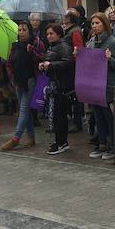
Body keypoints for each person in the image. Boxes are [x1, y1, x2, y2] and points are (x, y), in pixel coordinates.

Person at [3, 21, 45, 151]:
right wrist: (11, 75)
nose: (21, 32)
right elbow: (9, 62)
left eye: (24, 30)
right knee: (25, 111)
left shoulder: (36, 43)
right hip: (18, 80)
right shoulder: (15, 45)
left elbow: (43, 58)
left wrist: (32, 52)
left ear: (30, 31)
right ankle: (31, 137)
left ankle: (16, 138)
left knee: (23, 110)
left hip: (30, 80)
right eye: (19, 30)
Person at [86, 12, 115, 160]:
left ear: (104, 24)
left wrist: (109, 59)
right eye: (93, 23)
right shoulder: (91, 42)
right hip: (94, 85)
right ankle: (102, 144)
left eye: (97, 23)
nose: (94, 26)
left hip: (108, 85)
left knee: (109, 117)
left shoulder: (113, 42)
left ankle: (114, 146)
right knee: (98, 117)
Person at [40, 24, 74, 155]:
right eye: (48, 34)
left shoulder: (64, 46)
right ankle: (58, 140)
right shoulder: (52, 47)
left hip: (62, 86)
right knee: (54, 115)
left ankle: (62, 142)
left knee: (60, 115)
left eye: (52, 33)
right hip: (53, 84)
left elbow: (68, 62)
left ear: (59, 34)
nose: (49, 36)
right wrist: (44, 65)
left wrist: (51, 65)